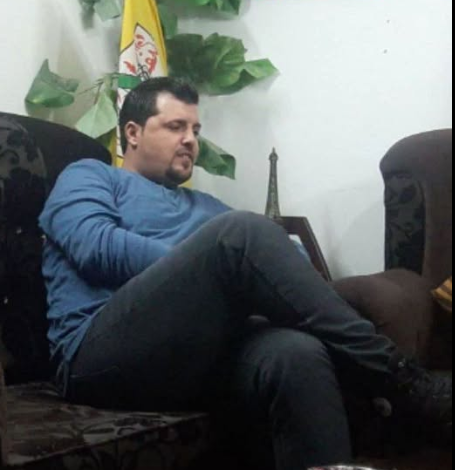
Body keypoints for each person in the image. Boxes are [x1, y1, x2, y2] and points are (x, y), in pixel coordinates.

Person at [39, 77, 452, 470]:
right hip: (95, 355)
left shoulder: (204, 206)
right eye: (176, 126)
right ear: (132, 132)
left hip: (191, 357)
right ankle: (405, 382)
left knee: (294, 353)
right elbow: (94, 244)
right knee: (241, 234)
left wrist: (222, 271)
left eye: (195, 130)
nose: (190, 140)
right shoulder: (90, 175)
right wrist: (204, 270)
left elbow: (285, 255)